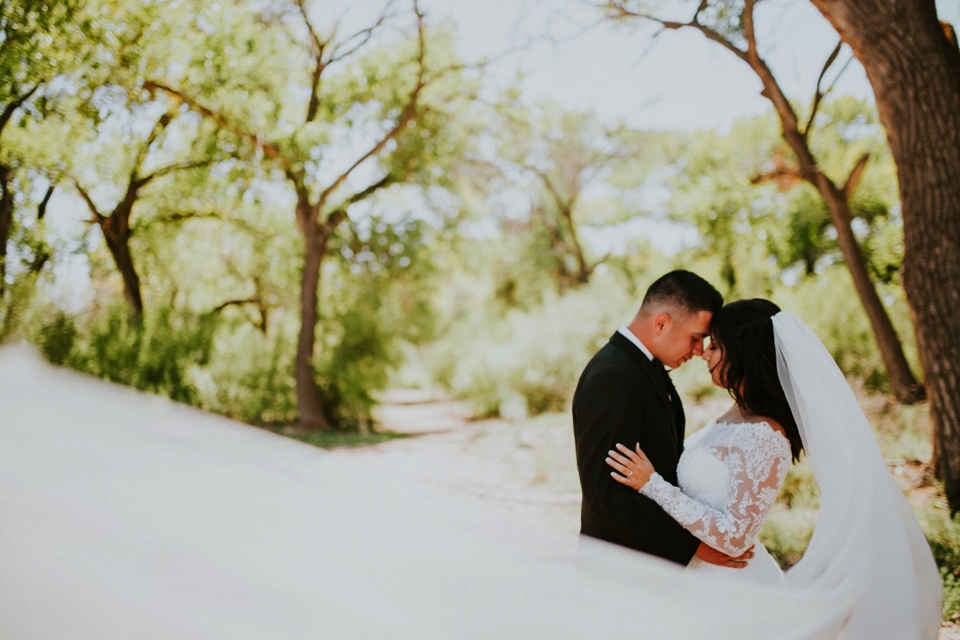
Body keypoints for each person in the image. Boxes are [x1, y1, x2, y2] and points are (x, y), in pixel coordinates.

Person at [604, 299, 942, 635]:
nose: (705, 354)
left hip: (734, 595)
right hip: (698, 585)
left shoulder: (764, 434)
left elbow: (736, 536)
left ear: (743, 353)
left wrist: (653, 485)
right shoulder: (733, 415)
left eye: (717, 346)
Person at [572, 270, 750, 569]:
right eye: (696, 338)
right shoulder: (611, 377)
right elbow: (606, 495)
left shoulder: (641, 367)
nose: (699, 351)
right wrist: (692, 547)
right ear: (662, 323)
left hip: (647, 566)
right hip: (620, 568)